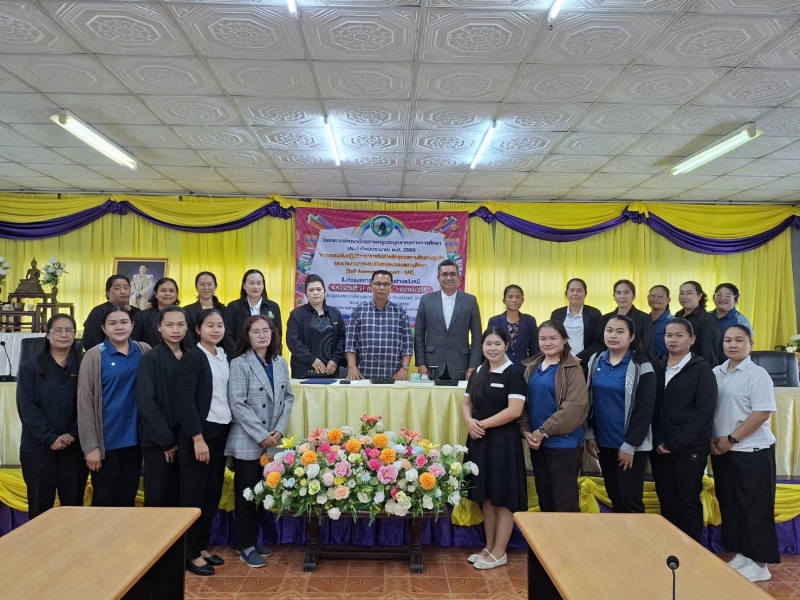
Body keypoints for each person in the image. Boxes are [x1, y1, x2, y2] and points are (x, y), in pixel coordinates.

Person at [711, 324, 780, 583]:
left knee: (754, 506)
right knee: (732, 504)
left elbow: (761, 413)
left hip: (752, 450)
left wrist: (731, 439)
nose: (733, 344)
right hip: (723, 451)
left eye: (739, 340)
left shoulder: (757, 374)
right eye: (728, 340)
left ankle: (760, 563)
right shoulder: (716, 372)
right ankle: (744, 554)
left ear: (751, 344)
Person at [226, 315, 294, 567]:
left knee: (260, 493)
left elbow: (288, 398)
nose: (262, 335)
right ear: (247, 336)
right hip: (248, 439)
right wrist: (261, 434)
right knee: (246, 494)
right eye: (256, 331)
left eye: (266, 330)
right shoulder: (239, 363)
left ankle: (252, 541)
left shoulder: (279, 362)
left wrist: (278, 429)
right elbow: (237, 403)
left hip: (272, 439)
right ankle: (244, 545)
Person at [462, 327, 527, 570]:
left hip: (503, 443)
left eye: (497, 344)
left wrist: (481, 425)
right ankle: (489, 547)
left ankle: (500, 552)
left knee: (503, 497)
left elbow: (515, 411)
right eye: (488, 343)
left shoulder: (514, 373)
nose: (492, 348)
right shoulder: (479, 371)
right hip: (480, 441)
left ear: (506, 346)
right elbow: (467, 403)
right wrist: (469, 421)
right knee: (487, 496)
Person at [176, 308, 231, 576]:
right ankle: (189, 553)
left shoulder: (223, 355)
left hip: (221, 431)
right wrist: (197, 438)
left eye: (219, 325)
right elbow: (185, 401)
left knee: (211, 493)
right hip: (201, 434)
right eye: (210, 325)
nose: (216, 329)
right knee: (194, 494)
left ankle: (201, 546)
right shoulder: (193, 357)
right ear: (198, 329)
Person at [651, 318, 717, 541]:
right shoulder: (656, 365)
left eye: (679, 335)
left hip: (689, 447)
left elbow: (703, 411)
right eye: (669, 335)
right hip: (659, 446)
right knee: (666, 498)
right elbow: (650, 406)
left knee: (687, 500)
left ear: (692, 339)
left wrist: (674, 442)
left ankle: (691, 552)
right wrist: (657, 440)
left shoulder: (702, 369)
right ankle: (670, 547)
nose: (673, 339)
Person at [77, 307, 151, 507]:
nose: (119, 327)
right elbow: (85, 404)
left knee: (127, 500)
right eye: (112, 323)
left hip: (135, 442)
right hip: (106, 442)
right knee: (104, 501)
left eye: (124, 322)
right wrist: (91, 447)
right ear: (103, 328)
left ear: (132, 325)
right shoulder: (94, 355)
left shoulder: (144, 350)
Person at [16, 314, 87, 518]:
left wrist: (73, 433)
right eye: (58, 330)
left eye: (69, 330)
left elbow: (89, 404)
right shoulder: (29, 367)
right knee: (40, 509)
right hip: (38, 449)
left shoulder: (85, 365)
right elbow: (27, 407)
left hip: (74, 448)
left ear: (75, 335)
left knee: (73, 510)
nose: (64, 335)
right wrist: (49, 438)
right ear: (47, 335)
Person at [586, 315, 656, 513]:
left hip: (630, 445)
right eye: (609, 331)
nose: (613, 335)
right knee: (615, 497)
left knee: (630, 501)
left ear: (631, 337)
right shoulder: (595, 360)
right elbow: (589, 400)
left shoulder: (641, 365)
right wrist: (590, 434)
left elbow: (645, 409)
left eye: (620, 331)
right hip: (603, 443)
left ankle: (636, 536)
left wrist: (630, 445)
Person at [520, 320, 589, 513]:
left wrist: (543, 430)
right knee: (546, 500)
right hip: (538, 444)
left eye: (553, 338)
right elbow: (522, 403)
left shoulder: (573, 369)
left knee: (565, 503)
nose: (547, 342)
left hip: (564, 445)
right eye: (543, 338)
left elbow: (574, 409)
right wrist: (526, 431)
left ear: (564, 340)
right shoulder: (531, 367)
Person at [135, 306, 187, 508]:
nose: (175, 330)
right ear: (159, 327)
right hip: (157, 441)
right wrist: (166, 441)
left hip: (185, 440)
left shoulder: (191, 356)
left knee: (180, 498)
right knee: (157, 498)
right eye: (169, 325)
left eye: (180, 325)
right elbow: (146, 402)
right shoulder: (150, 358)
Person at [415, 260, 482, 381]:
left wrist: (473, 366)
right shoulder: (426, 300)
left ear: (458, 277)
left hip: (461, 365)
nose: (449, 278)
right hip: (431, 364)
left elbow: (477, 337)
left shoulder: (470, 301)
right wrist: (421, 364)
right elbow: (419, 335)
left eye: (452, 274)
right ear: (438, 278)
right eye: (444, 274)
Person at [345, 270, 413, 381]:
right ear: (371, 286)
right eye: (377, 284)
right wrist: (352, 367)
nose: (382, 287)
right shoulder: (358, 311)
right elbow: (350, 344)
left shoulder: (400, 312)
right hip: (362, 376)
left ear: (392, 287)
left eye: (386, 284)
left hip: (394, 377)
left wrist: (404, 368)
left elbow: (407, 345)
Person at [286, 274, 346, 379]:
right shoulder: (296, 315)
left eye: (319, 289)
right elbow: (293, 342)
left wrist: (335, 359)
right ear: (306, 293)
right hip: (304, 372)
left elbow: (343, 339)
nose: (315, 293)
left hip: (331, 371)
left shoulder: (335, 313)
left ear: (324, 292)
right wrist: (312, 360)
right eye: (311, 290)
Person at [224, 269, 282, 357]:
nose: (255, 286)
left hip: (267, 357)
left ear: (263, 286)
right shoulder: (233, 307)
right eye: (251, 283)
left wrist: (272, 356)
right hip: (240, 356)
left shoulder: (273, 307)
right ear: (244, 285)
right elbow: (227, 335)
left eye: (259, 283)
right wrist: (238, 356)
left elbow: (277, 334)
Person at [549, 278, 605, 366]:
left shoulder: (594, 313)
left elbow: (600, 341)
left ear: (585, 294)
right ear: (566, 294)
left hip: (586, 362)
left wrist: (580, 357)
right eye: (572, 290)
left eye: (579, 290)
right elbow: (551, 338)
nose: (575, 293)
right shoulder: (556, 314)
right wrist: (567, 356)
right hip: (561, 361)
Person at [82, 275, 141, 350]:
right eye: (117, 288)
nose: (123, 292)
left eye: (126, 288)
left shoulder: (137, 312)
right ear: (107, 292)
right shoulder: (99, 312)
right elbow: (90, 341)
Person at [488, 285, 538, 372]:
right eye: (510, 297)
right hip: (500, 367)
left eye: (518, 297)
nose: (514, 300)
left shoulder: (530, 320)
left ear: (522, 300)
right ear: (504, 300)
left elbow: (534, 348)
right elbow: (490, 346)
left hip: (523, 368)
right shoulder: (494, 321)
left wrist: (533, 368)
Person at [603, 280, 656, 359]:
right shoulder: (606, 318)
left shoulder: (644, 318)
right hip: (609, 361)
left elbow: (648, 345)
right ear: (614, 296)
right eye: (618, 293)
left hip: (636, 361)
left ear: (633, 296)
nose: (622, 296)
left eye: (626, 292)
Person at [675, 281, 720, 368]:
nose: (684, 297)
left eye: (689, 293)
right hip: (677, 367)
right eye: (681, 293)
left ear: (699, 296)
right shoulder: (677, 316)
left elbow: (709, 353)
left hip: (696, 369)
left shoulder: (707, 320)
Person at [132, 277, 180, 348]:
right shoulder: (141, 316)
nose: (167, 293)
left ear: (176, 294)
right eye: (163, 290)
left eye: (171, 291)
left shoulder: (183, 315)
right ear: (156, 294)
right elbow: (134, 344)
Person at [710, 283, 753, 360]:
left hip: (731, 363)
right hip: (706, 363)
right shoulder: (706, 317)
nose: (723, 298)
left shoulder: (741, 321)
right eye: (719, 295)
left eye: (728, 296)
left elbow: (746, 347)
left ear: (735, 300)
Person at [184, 272, 226, 347]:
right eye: (202, 284)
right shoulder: (187, 311)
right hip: (194, 351)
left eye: (209, 284)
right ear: (196, 287)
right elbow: (188, 338)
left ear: (215, 287)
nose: (206, 287)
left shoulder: (225, 310)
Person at [648, 285, 672, 358]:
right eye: (652, 295)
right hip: (644, 362)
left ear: (668, 300)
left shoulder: (672, 322)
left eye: (660, 296)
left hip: (664, 362)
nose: (656, 299)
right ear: (648, 298)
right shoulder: (643, 319)